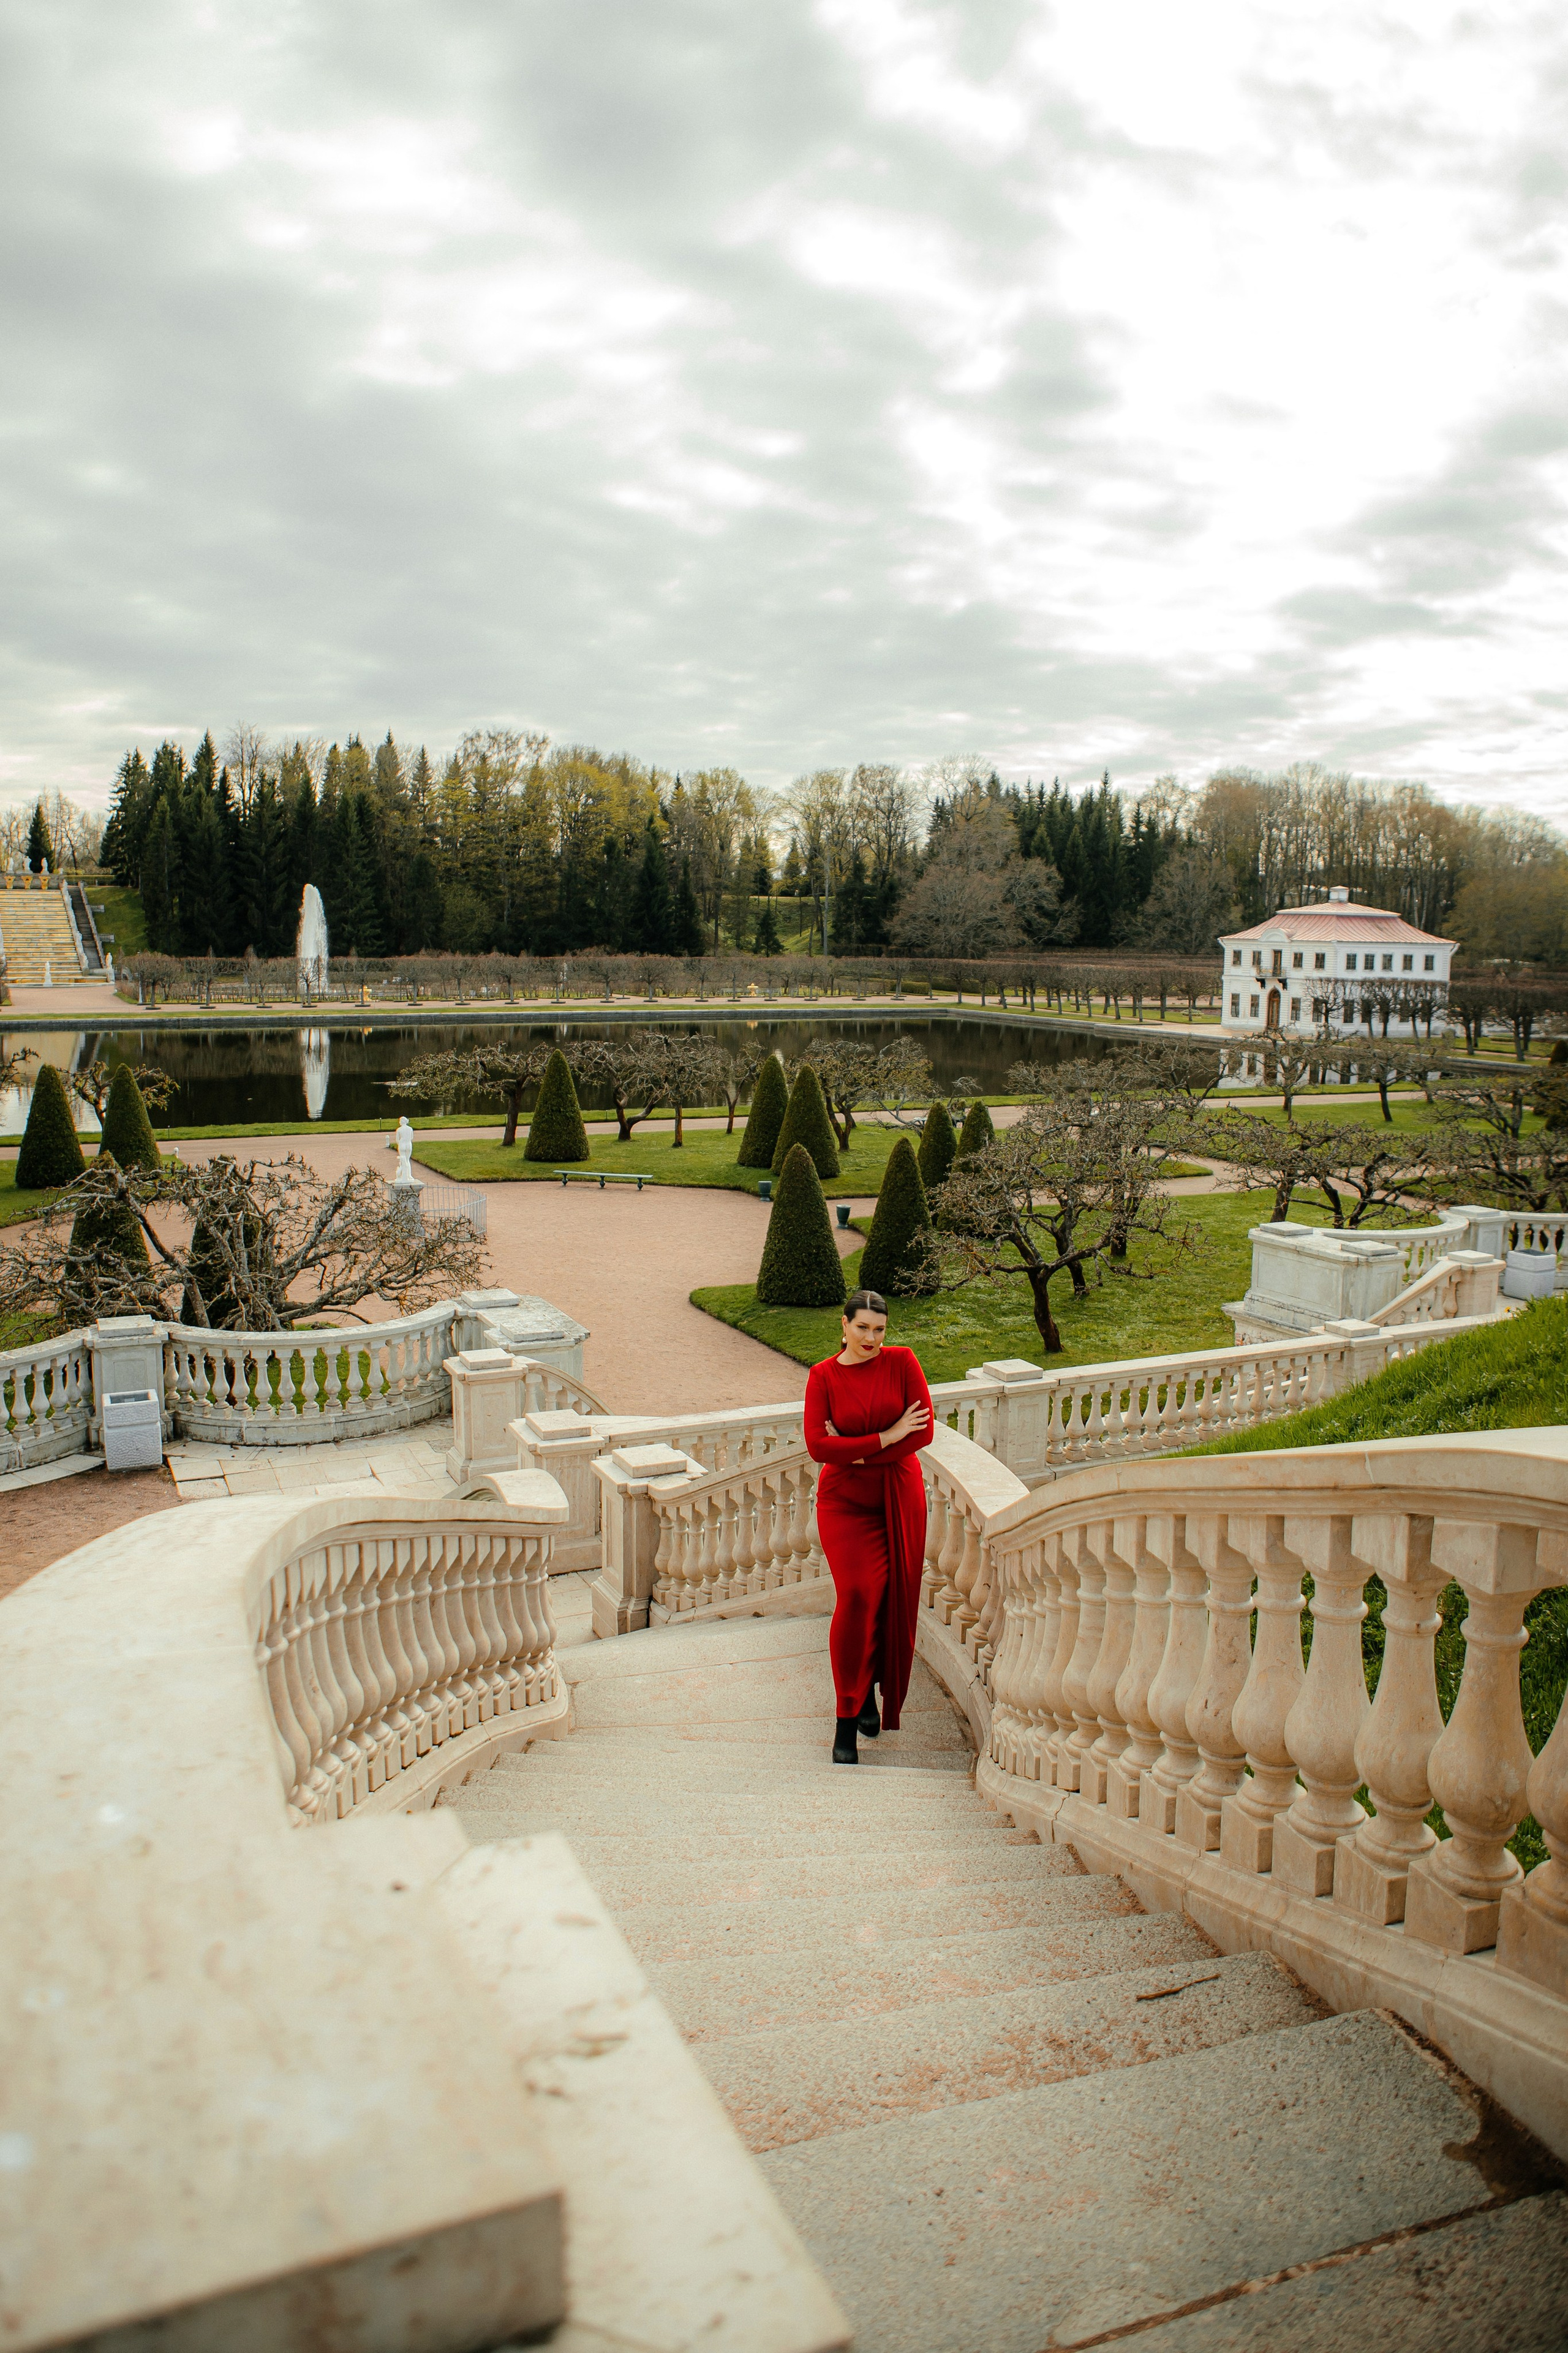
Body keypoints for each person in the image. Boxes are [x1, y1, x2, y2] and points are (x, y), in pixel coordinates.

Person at [803, 1287, 933, 1764]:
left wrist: (856, 1451)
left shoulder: (903, 1362)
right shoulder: (823, 1376)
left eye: (879, 1329)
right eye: (862, 1327)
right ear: (844, 1325)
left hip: (898, 1498)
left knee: (888, 1600)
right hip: (845, 1504)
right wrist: (887, 1436)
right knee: (858, 1594)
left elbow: (924, 1431)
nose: (871, 1338)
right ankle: (846, 1715)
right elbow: (818, 1446)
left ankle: (869, 1695)